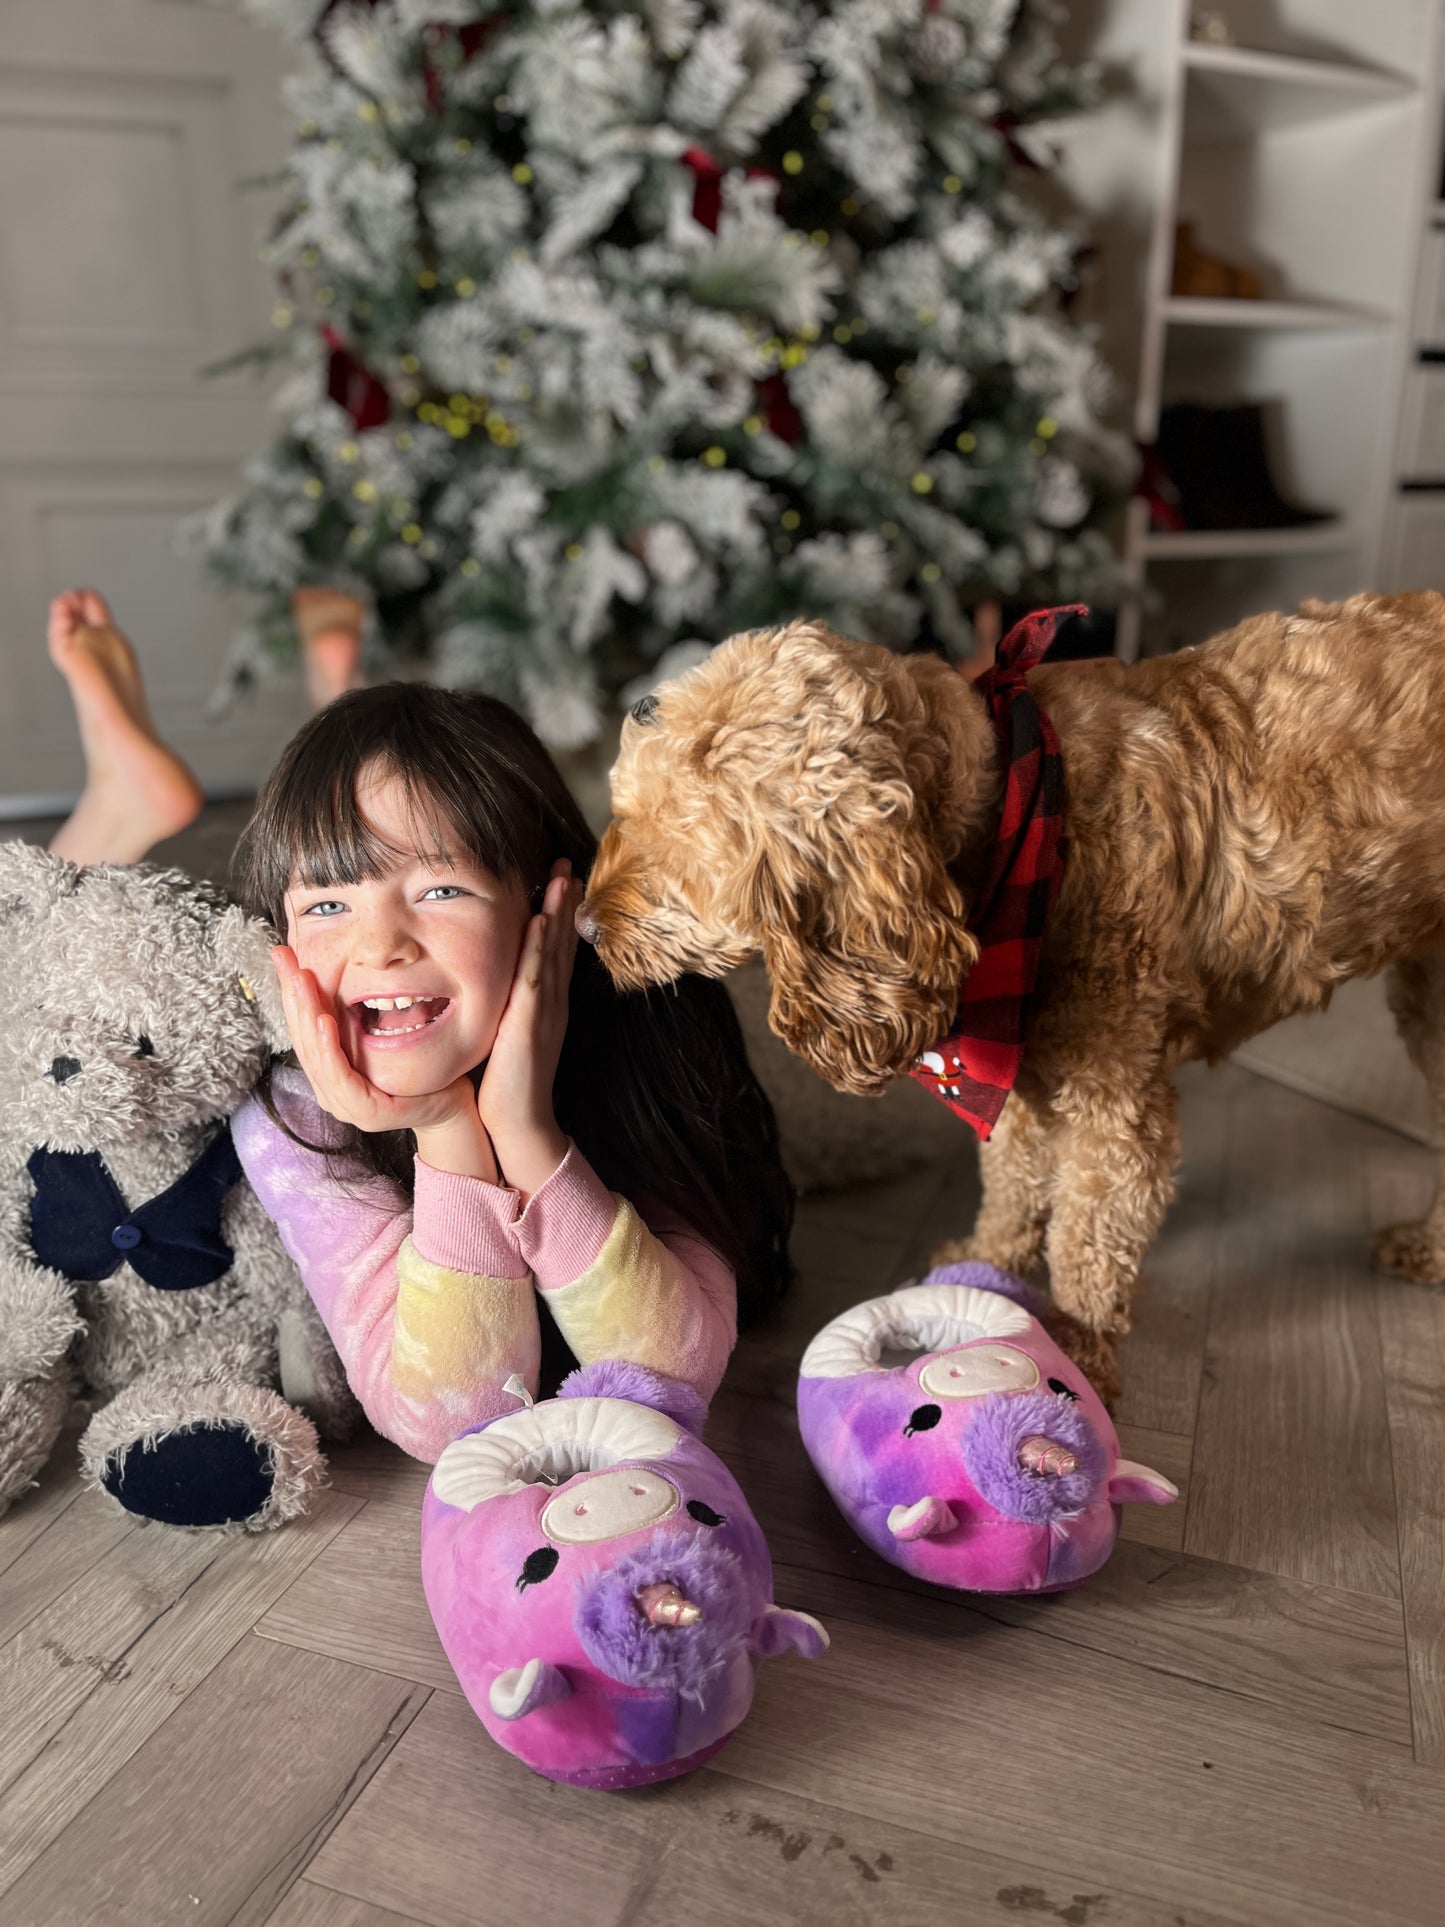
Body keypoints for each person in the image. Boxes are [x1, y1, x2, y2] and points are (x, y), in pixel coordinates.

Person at [229, 683, 794, 1461]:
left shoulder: (653, 1022)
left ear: (546, 910)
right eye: (327, 904)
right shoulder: (293, 1109)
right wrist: (445, 1128)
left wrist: (526, 1130)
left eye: (439, 888)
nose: (379, 945)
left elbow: (667, 1383)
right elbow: (453, 1424)